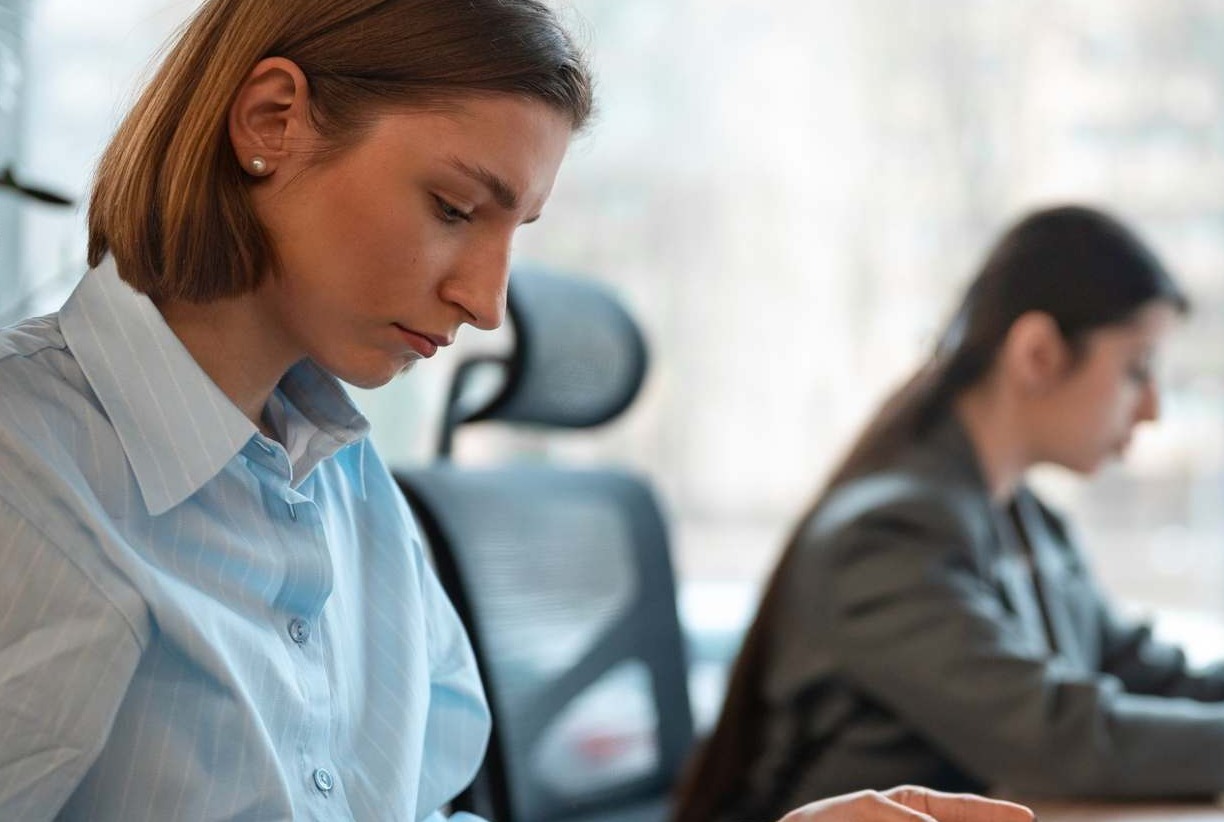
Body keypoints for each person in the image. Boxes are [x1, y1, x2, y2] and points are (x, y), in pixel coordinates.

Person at [0, 2, 1040, 821]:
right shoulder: (27, 464)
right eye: (455, 208)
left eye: (515, 229)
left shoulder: (349, 494)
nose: (488, 302)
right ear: (272, 122)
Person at [673, 206, 1224, 822]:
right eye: (1137, 368)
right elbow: (1065, 737)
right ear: (1037, 354)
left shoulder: (1025, 524)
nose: (1152, 410)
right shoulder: (886, 538)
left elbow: (1158, 681)